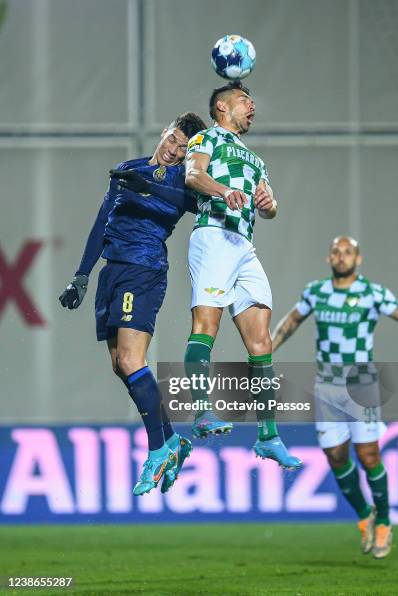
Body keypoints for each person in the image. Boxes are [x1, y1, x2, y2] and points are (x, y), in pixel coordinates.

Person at [59, 112, 207, 496]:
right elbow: (102, 219)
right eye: (173, 139)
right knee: (120, 366)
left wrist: (149, 187)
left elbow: (188, 203)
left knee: (130, 360)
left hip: (144, 268)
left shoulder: (184, 179)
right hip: (112, 271)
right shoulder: (129, 168)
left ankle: (157, 449)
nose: (174, 151)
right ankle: (173, 441)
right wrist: (82, 275)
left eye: (184, 147)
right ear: (164, 132)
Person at [182, 80, 302, 470]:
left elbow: (269, 206)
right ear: (222, 107)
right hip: (213, 235)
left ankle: (267, 437)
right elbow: (193, 176)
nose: (252, 107)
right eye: (243, 101)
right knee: (207, 324)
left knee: (261, 342)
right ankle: (201, 412)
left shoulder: (255, 159)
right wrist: (221, 190)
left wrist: (269, 204)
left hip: (243, 246)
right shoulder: (206, 138)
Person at [272, 235, 398, 558]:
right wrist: (267, 352)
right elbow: (291, 322)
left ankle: (385, 522)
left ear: (358, 260)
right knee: (335, 456)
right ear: (328, 258)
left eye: (348, 252)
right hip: (327, 385)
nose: (341, 256)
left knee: (368, 455)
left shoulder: (373, 293)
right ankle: (365, 515)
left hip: (362, 384)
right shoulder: (316, 292)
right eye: (336, 251)